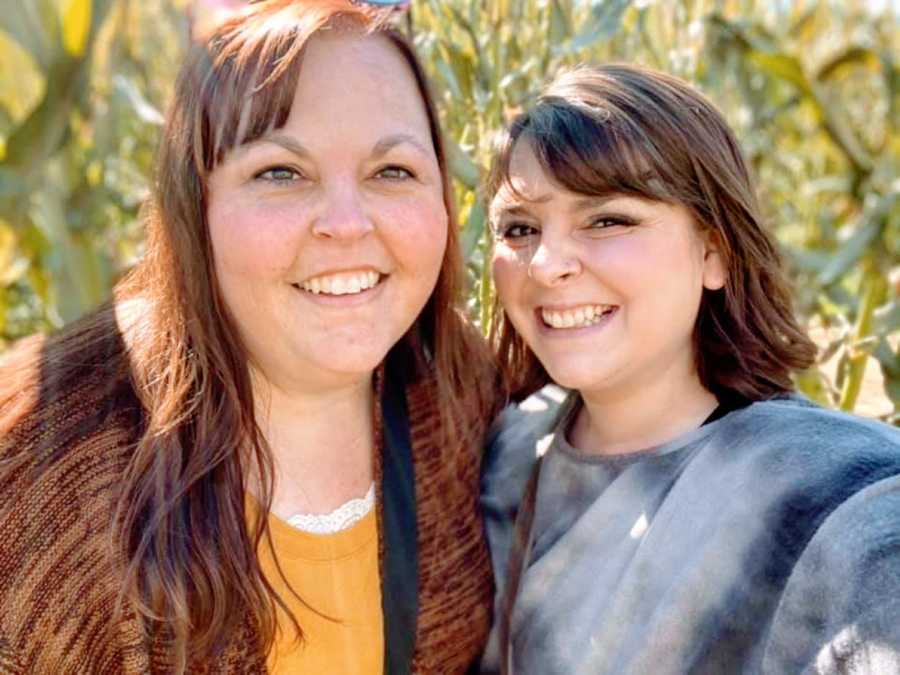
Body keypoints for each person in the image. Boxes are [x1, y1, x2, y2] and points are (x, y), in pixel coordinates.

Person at [0, 1, 499, 672]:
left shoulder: (472, 401)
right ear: (194, 204)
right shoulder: (37, 468)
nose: (347, 225)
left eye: (393, 171)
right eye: (280, 173)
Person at [479, 63, 900, 674]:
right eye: (519, 227)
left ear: (715, 252)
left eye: (607, 219)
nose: (546, 264)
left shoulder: (833, 490)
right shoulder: (493, 455)